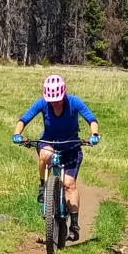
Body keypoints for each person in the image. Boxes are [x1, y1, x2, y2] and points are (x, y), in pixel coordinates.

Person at [13, 74, 99, 241]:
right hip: (49, 142)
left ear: (64, 94)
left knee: (69, 185)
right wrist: (17, 133)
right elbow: (24, 119)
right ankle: (43, 186)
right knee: (46, 154)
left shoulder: (74, 102)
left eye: (58, 100)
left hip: (71, 145)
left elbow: (92, 119)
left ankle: (74, 225)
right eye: (52, 100)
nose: (55, 103)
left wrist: (94, 134)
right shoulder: (42, 103)